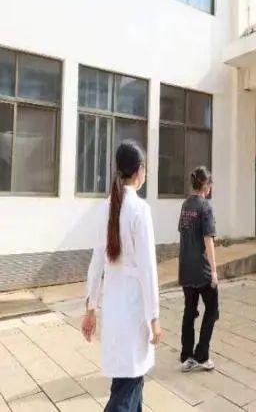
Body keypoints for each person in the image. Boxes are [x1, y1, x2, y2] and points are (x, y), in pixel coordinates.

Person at [82, 141, 161, 412]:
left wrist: (91, 309)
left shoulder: (106, 207)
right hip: (135, 312)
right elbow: (148, 269)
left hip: (114, 312)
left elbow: (96, 262)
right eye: (145, 169)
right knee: (128, 388)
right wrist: (154, 317)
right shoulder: (140, 210)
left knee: (129, 381)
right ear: (139, 171)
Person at [179, 166, 219, 373]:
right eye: (210, 183)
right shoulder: (205, 207)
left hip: (185, 268)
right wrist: (214, 271)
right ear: (205, 185)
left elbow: (184, 234)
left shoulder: (185, 205)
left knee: (189, 310)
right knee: (212, 309)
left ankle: (187, 356)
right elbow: (208, 241)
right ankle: (201, 355)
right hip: (202, 269)